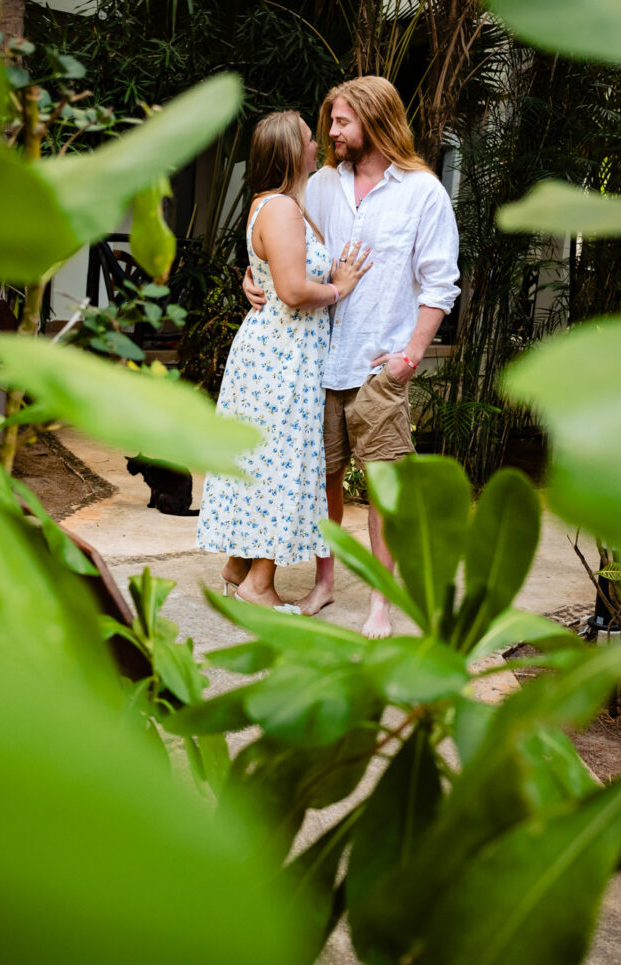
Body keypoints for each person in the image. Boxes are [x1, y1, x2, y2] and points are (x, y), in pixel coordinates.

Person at [244, 76, 461, 637]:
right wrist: (252, 275)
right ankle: (323, 584)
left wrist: (409, 356)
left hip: (378, 368)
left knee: (383, 493)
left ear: (375, 121)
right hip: (318, 363)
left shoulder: (423, 192)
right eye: (331, 122)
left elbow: (440, 283)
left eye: (341, 121)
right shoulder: (319, 185)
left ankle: (381, 606)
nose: (332, 131)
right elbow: (284, 244)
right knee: (326, 484)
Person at [196, 111, 373, 611]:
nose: (317, 142)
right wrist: (341, 286)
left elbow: (271, 275)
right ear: (293, 151)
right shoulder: (281, 210)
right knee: (281, 464)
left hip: (277, 351)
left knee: (262, 459)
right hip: (284, 356)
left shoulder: (278, 205)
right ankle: (259, 584)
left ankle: (237, 565)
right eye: (308, 137)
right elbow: (294, 290)